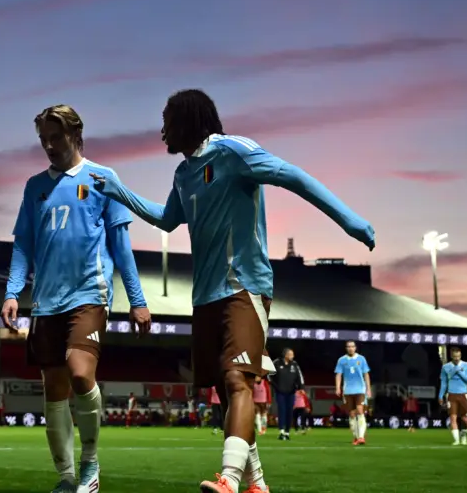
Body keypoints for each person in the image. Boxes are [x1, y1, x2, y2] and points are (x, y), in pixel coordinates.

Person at [91, 89, 374, 493]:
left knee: (237, 377)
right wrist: (118, 189)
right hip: (205, 296)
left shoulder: (233, 151)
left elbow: (293, 175)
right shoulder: (184, 173)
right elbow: (167, 219)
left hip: (245, 285)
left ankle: (230, 479)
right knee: (227, 392)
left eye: (167, 122)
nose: (162, 132)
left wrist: (349, 220)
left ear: (189, 120)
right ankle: (258, 483)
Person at [1, 104, 151, 493]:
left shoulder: (103, 178)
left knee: (81, 373)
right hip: (46, 301)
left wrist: (137, 300)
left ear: (76, 134)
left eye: (56, 137)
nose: (49, 146)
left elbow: (121, 246)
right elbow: (23, 245)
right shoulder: (34, 186)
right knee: (54, 388)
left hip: (89, 294)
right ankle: (66, 477)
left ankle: (90, 464)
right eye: (44, 139)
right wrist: (13, 292)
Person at [335, 341, 372, 446]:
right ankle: (356, 436)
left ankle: (361, 437)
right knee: (351, 414)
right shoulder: (341, 360)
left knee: (360, 410)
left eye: (352, 346)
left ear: (355, 348)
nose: (350, 348)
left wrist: (368, 389)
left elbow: (366, 374)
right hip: (348, 390)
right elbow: (338, 374)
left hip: (360, 389)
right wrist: (337, 387)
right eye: (348, 347)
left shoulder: (361, 359)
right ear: (346, 348)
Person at [439, 346, 467, 446]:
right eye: (455, 356)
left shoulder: (466, 365)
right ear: (451, 356)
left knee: (464, 418)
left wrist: (458, 371)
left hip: (463, 394)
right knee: (453, 418)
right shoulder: (445, 367)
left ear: (460, 355)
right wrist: (440, 396)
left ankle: (464, 437)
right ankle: (456, 440)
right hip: (451, 395)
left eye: (458, 356)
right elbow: (444, 383)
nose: (457, 358)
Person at [270, 348, 304, 441]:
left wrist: (301, 387)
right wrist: (276, 386)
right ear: (286, 355)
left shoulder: (294, 364)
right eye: (291, 354)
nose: (293, 356)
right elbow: (269, 375)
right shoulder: (277, 362)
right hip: (280, 392)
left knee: (289, 411)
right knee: (282, 410)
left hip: (291, 392)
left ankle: (287, 432)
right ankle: (281, 431)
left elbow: (299, 376)